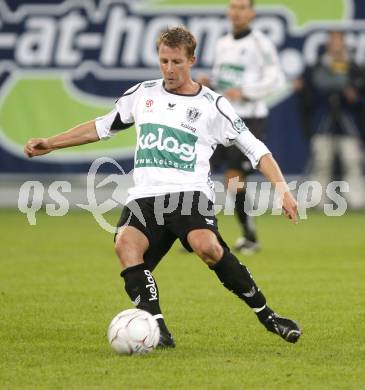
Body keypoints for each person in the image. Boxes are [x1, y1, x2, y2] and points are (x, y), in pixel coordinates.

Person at [24, 26, 301, 347]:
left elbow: (257, 150)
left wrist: (282, 189)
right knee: (125, 246)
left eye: (176, 62)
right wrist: (51, 143)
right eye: (164, 61)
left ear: (192, 60)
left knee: (208, 248)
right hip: (145, 197)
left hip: (189, 196)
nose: (169, 69)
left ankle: (268, 316)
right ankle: (158, 329)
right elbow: (101, 127)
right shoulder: (143, 94)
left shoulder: (213, 105)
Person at [197, 0, 285, 254]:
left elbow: (276, 79)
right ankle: (198, 235)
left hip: (249, 118)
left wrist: (246, 92)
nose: (236, 12)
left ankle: (250, 236)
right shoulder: (222, 42)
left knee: (234, 177)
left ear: (252, 13)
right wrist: (209, 82)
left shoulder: (260, 43)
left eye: (242, 7)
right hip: (222, 116)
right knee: (199, 170)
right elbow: (223, 78)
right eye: (233, 7)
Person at [294, 30, 365, 209]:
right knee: (321, 163)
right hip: (322, 123)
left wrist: (354, 97)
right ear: (327, 45)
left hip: (349, 124)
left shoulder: (354, 68)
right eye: (332, 42)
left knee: (352, 162)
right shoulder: (316, 68)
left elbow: (360, 97)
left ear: (344, 44)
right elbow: (309, 95)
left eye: (338, 42)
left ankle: (356, 202)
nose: (335, 46)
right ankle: (319, 202)